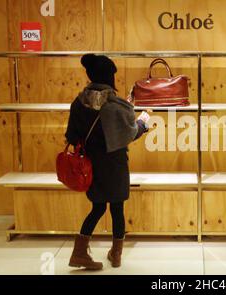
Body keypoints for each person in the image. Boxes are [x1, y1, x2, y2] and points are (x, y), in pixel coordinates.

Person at [65, 54, 150, 270]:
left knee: (98, 207)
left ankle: (79, 251)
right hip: (115, 164)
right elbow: (130, 133)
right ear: (109, 76)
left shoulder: (78, 102)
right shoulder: (115, 105)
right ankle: (116, 255)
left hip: (92, 166)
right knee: (117, 209)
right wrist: (143, 122)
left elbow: (71, 137)